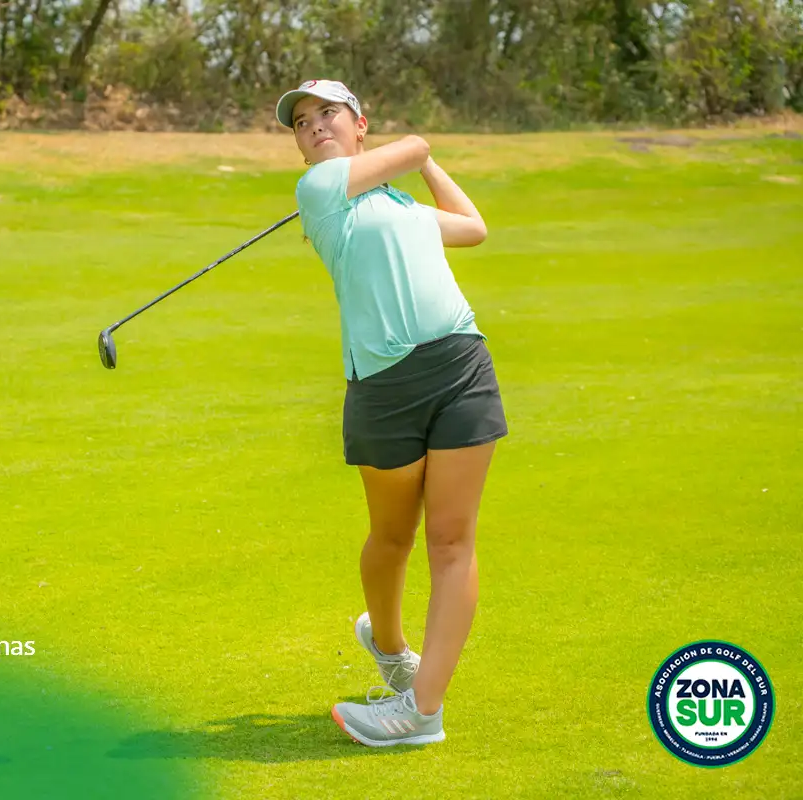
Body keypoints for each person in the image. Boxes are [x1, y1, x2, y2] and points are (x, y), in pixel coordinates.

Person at [274, 79, 508, 747]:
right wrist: (416, 151)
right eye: (302, 123)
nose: (314, 126)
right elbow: (416, 143)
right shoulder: (319, 190)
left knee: (452, 541)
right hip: (384, 386)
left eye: (328, 113)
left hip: (461, 364)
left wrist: (422, 169)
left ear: (359, 124)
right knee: (393, 537)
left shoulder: (400, 204)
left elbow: (473, 228)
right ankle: (387, 641)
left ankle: (421, 711)